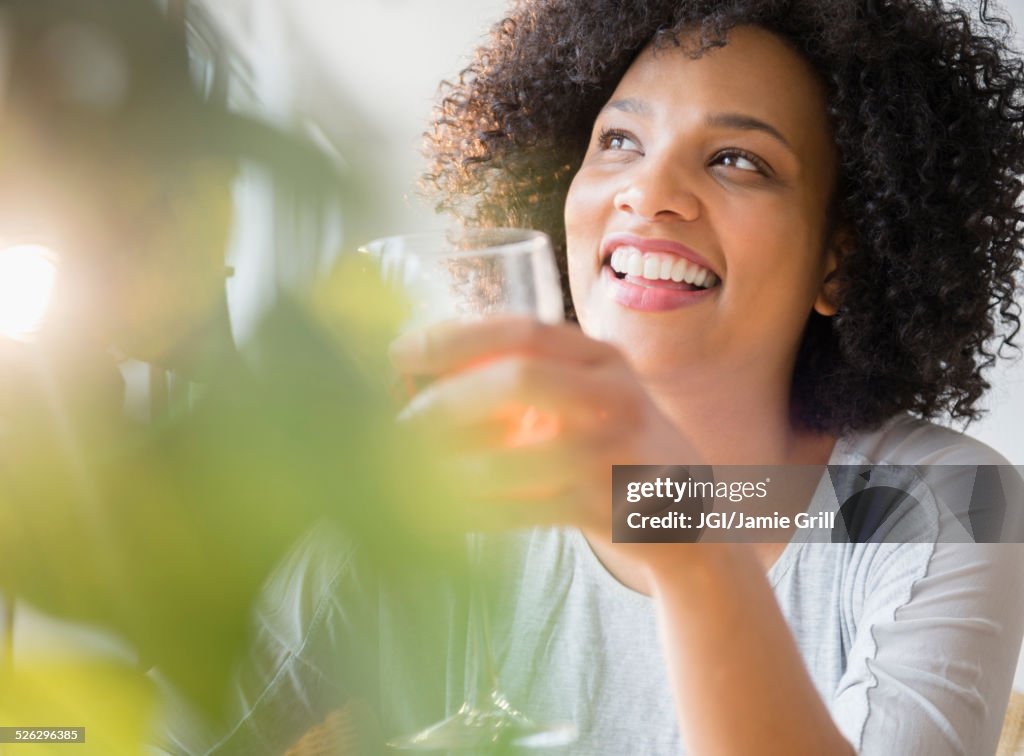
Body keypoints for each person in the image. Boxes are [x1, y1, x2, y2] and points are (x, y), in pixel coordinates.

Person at [181, 1, 1024, 754]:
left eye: (738, 160)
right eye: (619, 140)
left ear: (840, 263)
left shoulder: (941, 501)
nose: (650, 191)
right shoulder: (441, 465)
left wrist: (688, 540)